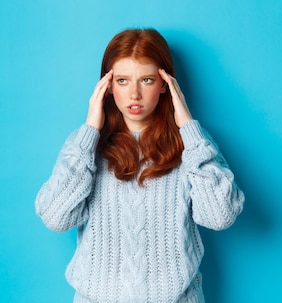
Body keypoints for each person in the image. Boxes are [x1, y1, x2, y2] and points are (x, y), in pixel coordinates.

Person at [35, 28, 244, 303]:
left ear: (164, 84)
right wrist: (89, 131)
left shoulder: (193, 146)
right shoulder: (84, 146)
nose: (134, 93)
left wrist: (188, 127)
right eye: (122, 80)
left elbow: (220, 216)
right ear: (107, 86)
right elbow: (55, 217)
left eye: (146, 80)